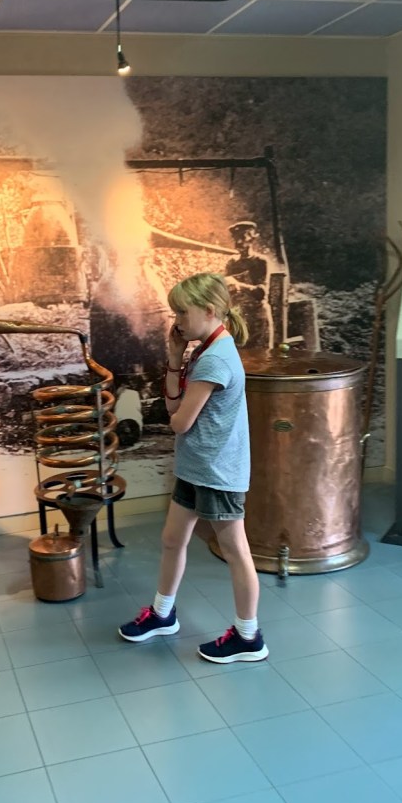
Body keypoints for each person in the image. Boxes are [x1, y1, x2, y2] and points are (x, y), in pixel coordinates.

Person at [118, 271, 268, 664]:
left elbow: (179, 422)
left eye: (182, 312)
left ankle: (248, 636)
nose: (177, 321)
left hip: (217, 471)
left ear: (210, 310)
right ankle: (163, 614)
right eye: (175, 312)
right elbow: (175, 409)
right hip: (196, 465)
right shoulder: (204, 349)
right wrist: (173, 358)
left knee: (236, 551)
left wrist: (176, 409)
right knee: (172, 539)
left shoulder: (215, 358)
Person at [225, 221, 274, 349]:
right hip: (238, 319)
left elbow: (262, 292)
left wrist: (239, 285)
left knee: (260, 357)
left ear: (252, 239)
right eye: (236, 238)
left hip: (257, 319)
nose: (238, 242)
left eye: (242, 237)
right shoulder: (232, 263)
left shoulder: (260, 261)